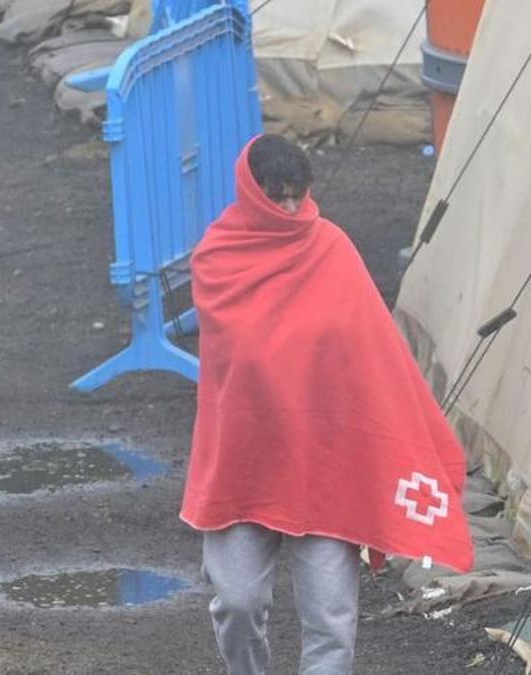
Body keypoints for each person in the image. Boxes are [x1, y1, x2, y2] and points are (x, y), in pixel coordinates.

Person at [180, 134, 474, 675]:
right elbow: (244, 358)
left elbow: (377, 354)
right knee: (238, 604)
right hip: (243, 467)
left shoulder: (331, 248)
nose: (291, 209)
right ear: (252, 192)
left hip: (327, 467)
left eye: (298, 195)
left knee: (331, 624)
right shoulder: (218, 260)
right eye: (278, 196)